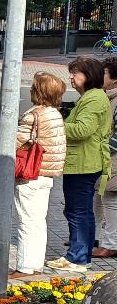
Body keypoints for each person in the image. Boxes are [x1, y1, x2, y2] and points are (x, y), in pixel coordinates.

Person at [46, 56, 112, 272]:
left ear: (89, 76)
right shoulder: (92, 97)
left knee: (77, 211)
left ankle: (78, 258)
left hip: (84, 162)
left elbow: (83, 130)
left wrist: (56, 125)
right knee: (81, 210)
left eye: (76, 73)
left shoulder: (93, 99)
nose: (71, 77)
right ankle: (78, 253)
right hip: (84, 161)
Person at [10, 72, 67, 279]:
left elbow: (15, 142)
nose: (30, 90)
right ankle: (36, 265)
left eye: (33, 87)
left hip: (30, 174)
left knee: (26, 220)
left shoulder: (34, 115)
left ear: (39, 91)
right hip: (47, 174)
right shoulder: (55, 113)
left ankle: (24, 267)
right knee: (39, 220)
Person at [95, 57, 117, 260]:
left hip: (114, 158)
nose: (100, 77)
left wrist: (105, 149)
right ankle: (100, 238)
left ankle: (110, 244)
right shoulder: (108, 97)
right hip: (108, 156)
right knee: (100, 197)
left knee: (110, 199)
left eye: (104, 73)